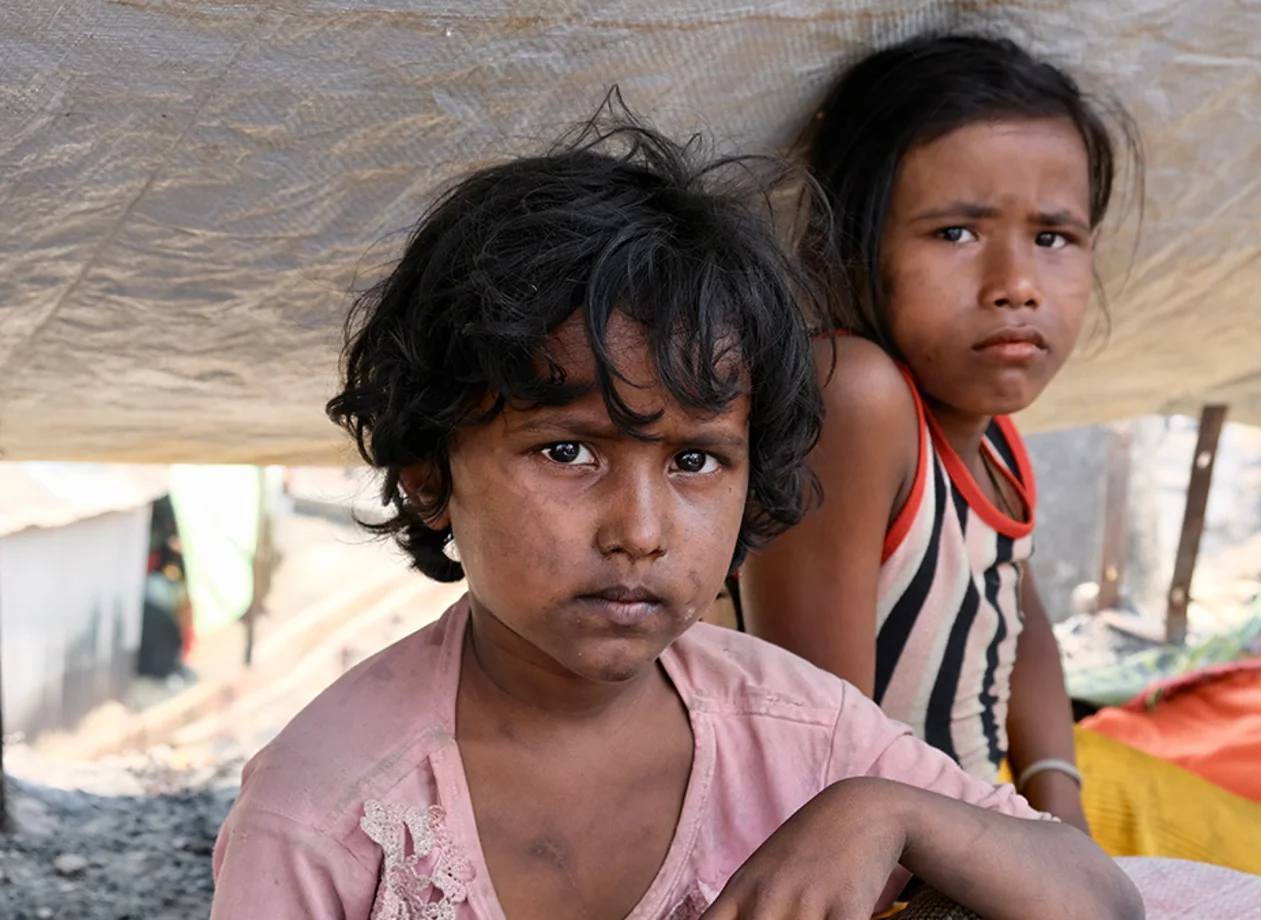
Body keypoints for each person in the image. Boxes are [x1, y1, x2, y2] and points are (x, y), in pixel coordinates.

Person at [208, 111, 1142, 920]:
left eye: (695, 460)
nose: (640, 530)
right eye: (567, 451)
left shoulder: (797, 731)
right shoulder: (326, 812)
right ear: (427, 472)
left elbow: (1099, 896)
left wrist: (883, 812)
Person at [737, 33, 1139, 830]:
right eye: (955, 233)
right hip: (877, 856)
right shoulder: (855, 396)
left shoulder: (987, 437)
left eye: (1053, 237)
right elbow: (825, 754)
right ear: (851, 249)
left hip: (982, 821)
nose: (1016, 285)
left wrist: (1059, 803)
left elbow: (1017, 623)